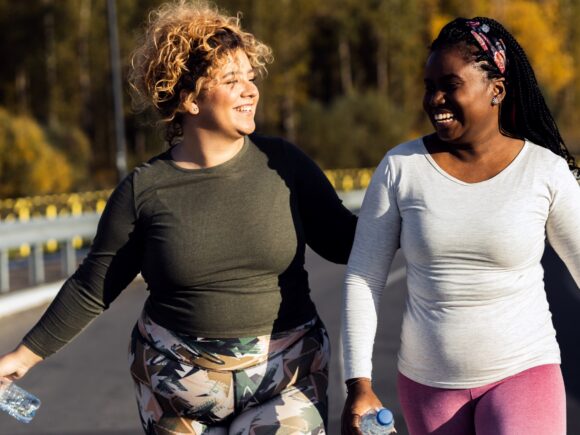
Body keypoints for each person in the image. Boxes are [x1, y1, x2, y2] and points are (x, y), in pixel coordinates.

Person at [0, 1, 357, 433]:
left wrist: (414, 216)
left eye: (250, 76)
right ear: (188, 99)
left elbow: (344, 241)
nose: (250, 90)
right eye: (231, 80)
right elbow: (95, 286)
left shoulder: (285, 164)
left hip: (285, 375)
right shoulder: (144, 190)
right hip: (175, 385)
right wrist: (24, 356)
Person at [341, 16, 580, 435]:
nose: (434, 99)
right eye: (429, 86)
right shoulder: (401, 167)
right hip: (427, 386)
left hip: (524, 371)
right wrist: (358, 383)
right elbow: (364, 278)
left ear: (496, 90)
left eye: (449, 85)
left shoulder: (544, 170)